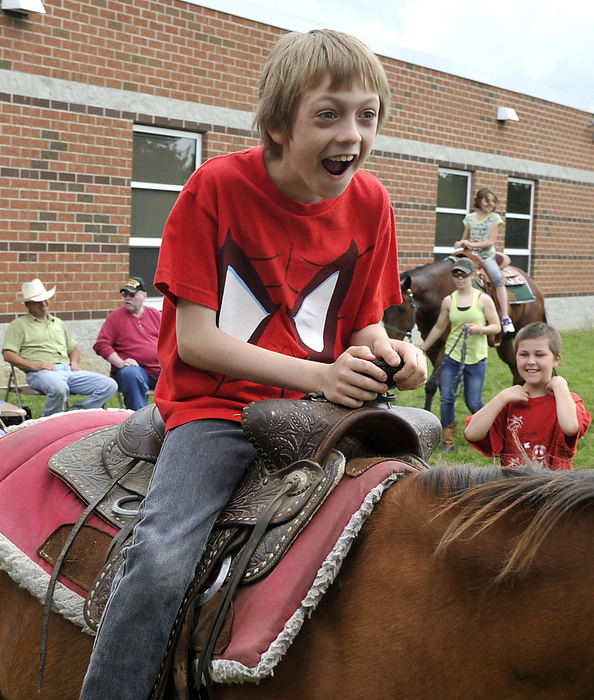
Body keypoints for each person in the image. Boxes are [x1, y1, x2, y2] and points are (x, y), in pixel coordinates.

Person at [80, 29, 427, 699]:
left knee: (415, 525)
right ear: (276, 125)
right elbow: (198, 341)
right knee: (159, 560)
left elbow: (363, 324)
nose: (351, 134)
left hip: (323, 410)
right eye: (327, 115)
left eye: (366, 114)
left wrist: (395, 354)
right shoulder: (215, 189)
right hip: (219, 408)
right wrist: (323, 375)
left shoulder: (372, 203)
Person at [464, 321, 591, 470]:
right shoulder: (509, 402)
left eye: (540, 354)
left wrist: (560, 386)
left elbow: (571, 427)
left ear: (556, 359)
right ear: (515, 357)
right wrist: (502, 397)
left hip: (555, 490)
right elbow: (471, 433)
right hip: (516, 490)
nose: (531, 361)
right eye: (524, 354)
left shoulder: (567, 400)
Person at [2, 279, 118, 416]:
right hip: (41, 373)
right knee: (59, 388)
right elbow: (8, 354)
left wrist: (74, 362)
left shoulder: (57, 323)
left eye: (45, 299)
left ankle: (72, 415)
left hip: (68, 370)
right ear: (27, 304)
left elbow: (73, 349)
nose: (44, 303)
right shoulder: (19, 325)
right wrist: (35, 366)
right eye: (38, 301)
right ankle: (48, 423)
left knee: (109, 385)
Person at [421, 257, 500, 451]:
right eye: (456, 274)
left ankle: (492, 431)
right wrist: (422, 348)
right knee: (446, 398)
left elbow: (496, 326)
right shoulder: (449, 301)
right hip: (452, 356)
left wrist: (478, 329)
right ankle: (448, 440)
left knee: (473, 401)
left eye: (463, 274)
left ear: (472, 275)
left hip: (476, 358)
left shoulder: (483, 299)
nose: (459, 278)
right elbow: (439, 327)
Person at [93, 276, 161, 410]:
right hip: (136, 372)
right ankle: (137, 421)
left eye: (132, 294)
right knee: (131, 374)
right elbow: (101, 344)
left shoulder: (156, 314)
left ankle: (173, 420)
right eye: (125, 295)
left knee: (181, 375)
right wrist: (121, 363)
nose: (127, 298)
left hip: (160, 370)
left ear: (144, 295)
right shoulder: (115, 317)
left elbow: (171, 339)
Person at [455, 187, 515, 333]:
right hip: (470, 255)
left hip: (486, 257)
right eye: (487, 200)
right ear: (479, 200)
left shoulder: (495, 218)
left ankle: (505, 317)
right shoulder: (470, 218)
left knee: (497, 278)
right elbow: (465, 237)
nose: (490, 203)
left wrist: (471, 244)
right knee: (453, 271)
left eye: (493, 201)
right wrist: (461, 243)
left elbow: (490, 241)